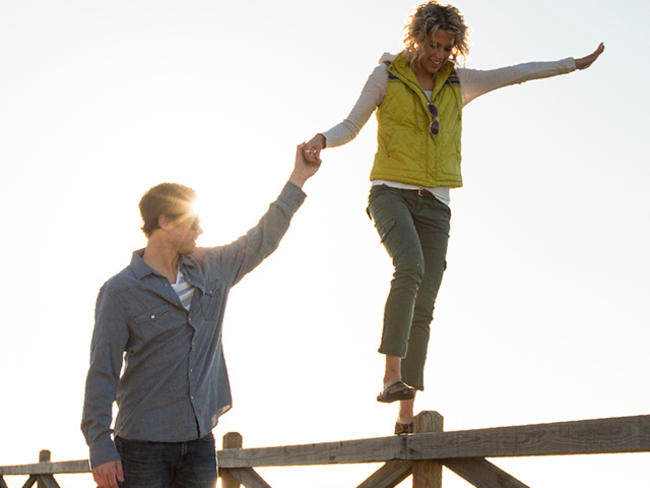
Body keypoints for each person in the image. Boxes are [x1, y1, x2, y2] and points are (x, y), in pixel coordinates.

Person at [302, 1, 604, 435]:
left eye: (447, 48)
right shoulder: (387, 75)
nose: (438, 54)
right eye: (432, 44)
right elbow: (352, 124)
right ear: (418, 37)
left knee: (425, 303)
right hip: (391, 193)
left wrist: (571, 64)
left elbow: (516, 72)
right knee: (409, 267)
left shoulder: (459, 82)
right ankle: (390, 374)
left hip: (437, 204)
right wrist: (321, 139)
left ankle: (405, 413)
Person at [81, 145, 320, 488]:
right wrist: (99, 444)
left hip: (199, 444)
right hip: (141, 448)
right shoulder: (119, 292)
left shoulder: (213, 268)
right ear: (163, 221)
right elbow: (102, 371)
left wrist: (298, 177)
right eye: (193, 222)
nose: (201, 230)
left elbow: (263, 237)